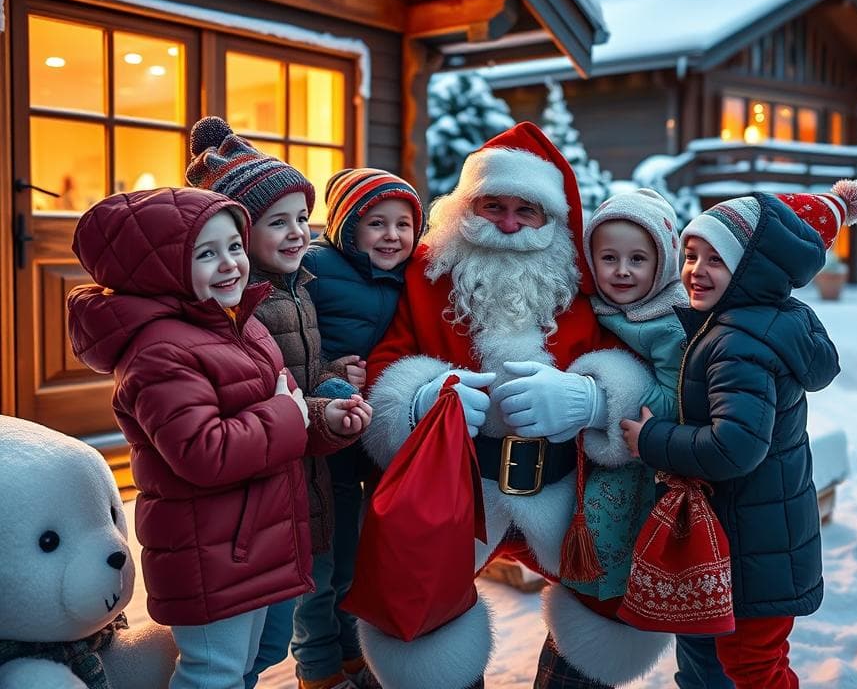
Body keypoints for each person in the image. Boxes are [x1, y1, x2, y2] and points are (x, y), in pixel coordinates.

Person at [361, 122, 670, 689]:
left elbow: (642, 365)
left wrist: (591, 398)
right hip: (456, 490)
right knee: (425, 622)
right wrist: (422, 398)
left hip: (567, 489)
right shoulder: (427, 272)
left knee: (601, 620)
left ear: (552, 217)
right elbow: (386, 364)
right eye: (492, 205)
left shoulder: (585, 275)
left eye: (526, 210)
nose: (507, 223)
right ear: (463, 206)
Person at [620, 181, 857, 689]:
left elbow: (733, 447)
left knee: (751, 668)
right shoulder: (750, 322)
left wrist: (653, 439)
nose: (695, 270)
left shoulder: (740, 343)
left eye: (716, 259)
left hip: (750, 551)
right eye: (691, 255)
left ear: (752, 270)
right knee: (705, 660)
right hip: (746, 539)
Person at [67, 187, 314, 689]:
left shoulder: (237, 323)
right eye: (205, 254)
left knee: (254, 658)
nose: (230, 264)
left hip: (254, 537)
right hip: (208, 548)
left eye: (235, 246)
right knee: (212, 673)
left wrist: (313, 419)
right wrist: (290, 416)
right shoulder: (159, 353)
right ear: (158, 271)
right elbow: (204, 451)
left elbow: (280, 406)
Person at [183, 117, 373, 689]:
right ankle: (318, 670)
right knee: (259, 631)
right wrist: (323, 402)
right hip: (263, 486)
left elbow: (297, 375)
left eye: (300, 218)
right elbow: (268, 393)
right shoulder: (240, 305)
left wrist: (332, 378)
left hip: (300, 474)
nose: (296, 233)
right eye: (277, 222)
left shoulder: (299, 287)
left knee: (290, 607)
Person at [578, 189, 735, 687]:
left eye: (638, 259)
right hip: (606, 454)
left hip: (651, 456)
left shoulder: (669, 323)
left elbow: (678, 397)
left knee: (623, 539)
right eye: (609, 258)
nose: (622, 271)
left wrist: (610, 398)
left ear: (663, 263)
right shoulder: (595, 307)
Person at [301, 167, 425, 689]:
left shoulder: (414, 275)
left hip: (376, 434)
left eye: (403, 224)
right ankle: (317, 665)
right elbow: (291, 339)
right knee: (322, 558)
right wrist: (331, 368)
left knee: (361, 553)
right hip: (327, 433)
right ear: (347, 227)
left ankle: (353, 651)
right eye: (377, 223)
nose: (393, 236)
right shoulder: (315, 268)